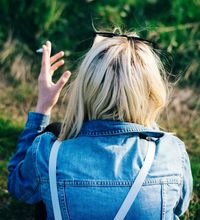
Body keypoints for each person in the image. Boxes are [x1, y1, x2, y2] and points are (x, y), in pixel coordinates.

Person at [7, 28, 193, 220]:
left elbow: (18, 187)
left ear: (85, 87)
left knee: (54, 132)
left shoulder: (48, 153)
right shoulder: (172, 153)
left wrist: (42, 108)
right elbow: (179, 207)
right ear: (152, 93)